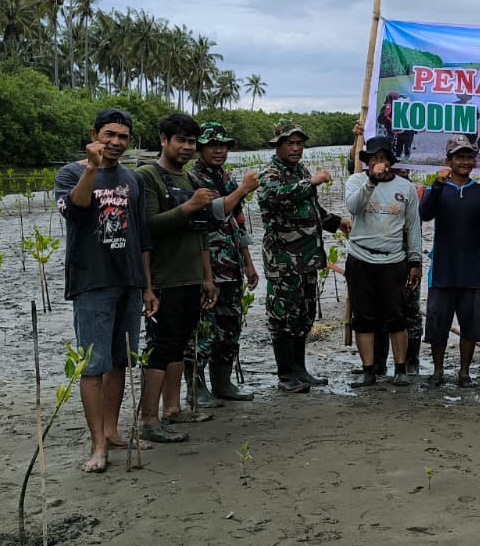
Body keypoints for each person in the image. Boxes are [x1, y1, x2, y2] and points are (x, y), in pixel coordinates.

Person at [55, 108, 157, 473]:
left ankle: (113, 432)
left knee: (119, 361)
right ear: (94, 134)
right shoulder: (70, 173)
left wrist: (147, 286)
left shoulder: (133, 178)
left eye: (123, 136)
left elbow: (142, 235)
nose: (115, 142)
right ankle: (97, 444)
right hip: (91, 282)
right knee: (93, 366)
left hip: (129, 280)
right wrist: (91, 169)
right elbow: (76, 209)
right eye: (109, 135)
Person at [135, 113, 218, 442]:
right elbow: (149, 226)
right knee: (160, 347)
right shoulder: (147, 177)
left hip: (191, 278)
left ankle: (172, 409)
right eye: (180, 140)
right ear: (163, 140)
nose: (186, 147)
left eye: (191, 142)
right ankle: (149, 419)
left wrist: (207, 277)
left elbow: (201, 235)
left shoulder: (191, 181)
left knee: (179, 346)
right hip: (163, 278)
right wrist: (190, 207)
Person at [258, 120, 340, 392]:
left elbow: (313, 210)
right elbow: (274, 198)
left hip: (307, 260)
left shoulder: (300, 171)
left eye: (299, 144)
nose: (295, 148)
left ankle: (300, 370)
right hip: (284, 262)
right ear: (277, 145)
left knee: (304, 316)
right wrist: (312, 181)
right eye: (289, 143)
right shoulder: (271, 172)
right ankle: (286, 376)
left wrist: (338, 223)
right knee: (283, 318)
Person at [186, 121, 261, 406]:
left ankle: (223, 382)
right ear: (199, 148)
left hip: (231, 267)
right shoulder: (193, 179)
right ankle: (196, 387)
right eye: (211, 145)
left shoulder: (226, 179)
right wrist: (242, 190)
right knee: (205, 329)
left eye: (223, 145)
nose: (218, 150)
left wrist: (248, 263)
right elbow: (214, 215)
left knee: (230, 328)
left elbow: (236, 224)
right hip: (207, 267)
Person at [344, 133, 424, 386]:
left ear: (391, 161)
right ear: (366, 161)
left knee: (396, 317)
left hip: (393, 261)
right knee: (364, 318)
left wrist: (415, 262)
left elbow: (413, 227)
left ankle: (400, 369)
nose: (379, 163)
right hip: (360, 258)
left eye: (383, 158)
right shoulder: (356, 181)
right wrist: (371, 181)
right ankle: (369, 370)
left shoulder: (405, 187)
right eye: (374, 158)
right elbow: (353, 208)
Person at [419, 135, 480, 387]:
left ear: (474, 161)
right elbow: (425, 214)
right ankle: (438, 372)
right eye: (459, 157)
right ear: (448, 160)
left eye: (468, 157)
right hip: (442, 269)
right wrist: (438, 185)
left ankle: (464, 373)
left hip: (472, 268)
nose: (464, 161)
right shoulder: (436, 190)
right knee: (438, 324)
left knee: (470, 325)